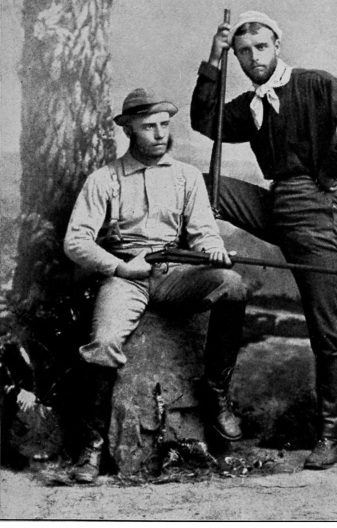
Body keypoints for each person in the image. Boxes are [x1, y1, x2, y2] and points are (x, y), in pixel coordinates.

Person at [190, 10, 337, 470]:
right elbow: (205, 121)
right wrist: (213, 59)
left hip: (315, 213)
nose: (253, 58)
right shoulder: (249, 105)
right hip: (276, 204)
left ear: (277, 45)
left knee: (326, 331)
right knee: (196, 184)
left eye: (261, 47)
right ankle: (173, 260)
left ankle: (329, 435)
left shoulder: (312, 84)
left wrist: (334, 167)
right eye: (243, 52)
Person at [64, 87, 248, 483]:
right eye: (149, 126)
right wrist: (119, 267)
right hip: (125, 276)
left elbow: (203, 232)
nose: (161, 133)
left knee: (232, 285)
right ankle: (91, 450)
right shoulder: (104, 179)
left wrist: (213, 249)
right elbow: (76, 241)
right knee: (104, 342)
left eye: (165, 124)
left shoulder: (186, 177)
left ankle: (217, 394)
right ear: (128, 130)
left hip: (174, 273)